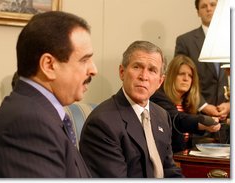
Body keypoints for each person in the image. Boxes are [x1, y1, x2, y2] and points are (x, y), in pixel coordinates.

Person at [0, 11, 97, 178]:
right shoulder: (29, 124)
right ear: (49, 65)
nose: (94, 70)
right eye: (84, 60)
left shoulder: (35, 112)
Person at [79, 41, 183, 178]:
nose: (144, 76)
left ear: (159, 82)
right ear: (122, 72)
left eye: (152, 70)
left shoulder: (162, 115)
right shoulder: (102, 123)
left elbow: (169, 170)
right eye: (137, 67)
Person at [150, 55, 221, 153]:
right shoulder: (158, 97)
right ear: (171, 76)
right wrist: (203, 123)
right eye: (181, 74)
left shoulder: (188, 102)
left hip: (182, 157)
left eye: (190, 76)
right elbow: (178, 119)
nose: (186, 79)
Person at [174, 0, 230, 119]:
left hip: (229, 116)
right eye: (204, 6)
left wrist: (231, 104)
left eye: (213, 4)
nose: (209, 9)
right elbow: (180, 79)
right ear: (198, 12)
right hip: (198, 115)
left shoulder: (232, 38)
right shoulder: (185, 41)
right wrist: (204, 106)